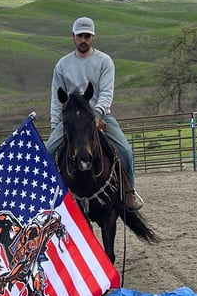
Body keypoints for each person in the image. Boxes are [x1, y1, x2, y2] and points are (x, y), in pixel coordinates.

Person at [46, 16, 143, 211]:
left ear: (93, 37)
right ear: (73, 36)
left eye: (87, 36)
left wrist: (97, 114)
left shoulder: (104, 61)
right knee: (48, 151)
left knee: (125, 150)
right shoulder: (62, 65)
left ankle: (129, 191)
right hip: (71, 119)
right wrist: (55, 124)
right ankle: (49, 195)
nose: (84, 40)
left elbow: (106, 92)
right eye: (80, 36)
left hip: (99, 114)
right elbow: (57, 98)